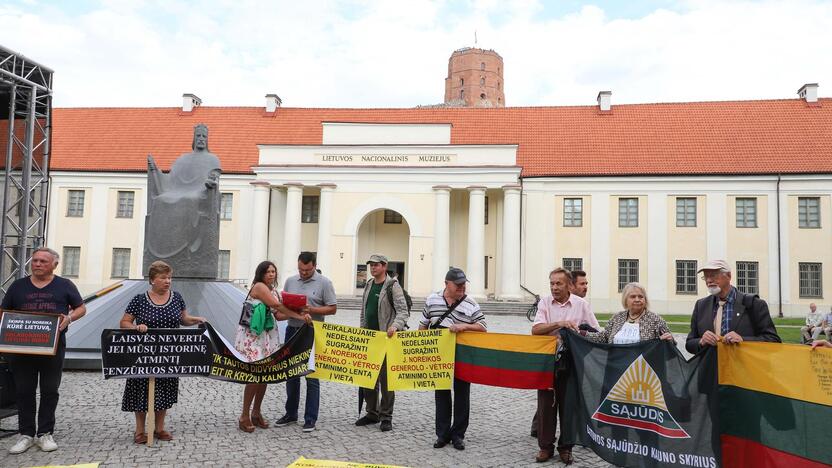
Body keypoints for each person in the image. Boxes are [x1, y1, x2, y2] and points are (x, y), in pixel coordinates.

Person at [2, 247, 86, 454]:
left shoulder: (64, 285)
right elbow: (3, 311)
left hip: (53, 347)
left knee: (50, 390)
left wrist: (69, 318)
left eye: (43, 261)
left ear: (54, 265)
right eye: (35, 260)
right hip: (21, 349)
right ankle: (26, 434)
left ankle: (45, 433)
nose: (37, 264)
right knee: (24, 391)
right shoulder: (18, 286)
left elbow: (81, 308)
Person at [119, 261, 207, 444]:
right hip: (144, 355)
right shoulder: (139, 299)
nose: (167, 281)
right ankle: (139, 430)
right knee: (140, 390)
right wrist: (136, 327)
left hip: (168, 354)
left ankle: (159, 428)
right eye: (163, 277)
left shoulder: (177, 297)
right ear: (152, 280)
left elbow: (183, 319)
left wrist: (196, 320)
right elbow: (124, 322)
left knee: (165, 388)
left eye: (169, 277)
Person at [532, 267, 601, 464]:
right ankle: (545, 447)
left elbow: (596, 331)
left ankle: (566, 447)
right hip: (547, 361)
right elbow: (536, 329)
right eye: (552, 283)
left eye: (558, 283)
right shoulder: (545, 302)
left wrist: (580, 332)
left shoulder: (581, 304)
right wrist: (559, 324)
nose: (554, 287)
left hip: (572, 360)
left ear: (569, 285)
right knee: (546, 404)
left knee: (569, 405)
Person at [236, 261, 311, 433]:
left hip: (267, 336)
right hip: (255, 336)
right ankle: (244, 415)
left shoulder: (274, 290)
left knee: (264, 375)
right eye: (268, 271)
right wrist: (298, 317)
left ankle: (256, 412)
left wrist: (300, 312)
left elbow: (277, 315)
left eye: (273, 271)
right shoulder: (260, 287)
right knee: (255, 375)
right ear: (261, 273)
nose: (271, 274)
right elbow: (276, 306)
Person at [420, 267, 486, 451]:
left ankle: (458, 435)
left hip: (463, 356)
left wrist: (464, 326)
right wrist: (421, 350)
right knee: (441, 395)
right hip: (439, 355)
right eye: (457, 285)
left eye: (463, 284)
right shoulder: (432, 300)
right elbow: (423, 325)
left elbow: (482, 326)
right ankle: (442, 435)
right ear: (446, 284)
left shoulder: (471, 303)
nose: (461, 287)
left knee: (462, 395)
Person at [275, 252, 337, 432]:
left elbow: (333, 308)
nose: (303, 273)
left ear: (314, 266)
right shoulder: (290, 281)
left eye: (307, 270)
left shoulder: (325, 283)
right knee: (291, 374)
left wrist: (313, 309)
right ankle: (291, 413)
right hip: (292, 330)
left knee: (312, 376)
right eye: (301, 269)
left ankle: (310, 418)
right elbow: (283, 307)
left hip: (313, 331)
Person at [354, 254, 409, 432]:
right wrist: (362, 329)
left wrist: (394, 326)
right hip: (370, 339)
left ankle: (386, 416)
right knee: (368, 377)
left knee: (386, 381)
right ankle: (372, 412)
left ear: (384, 266)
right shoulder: (369, 284)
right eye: (371, 265)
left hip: (387, 339)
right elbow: (364, 310)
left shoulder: (392, 286)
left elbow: (403, 312)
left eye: (377, 265)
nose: (373, 268)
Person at [686, 259, 780, 355]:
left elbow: (773, 341)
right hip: (710, 369)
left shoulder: (754, 304)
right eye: (706, 277)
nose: (709, 280)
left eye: (713, 275)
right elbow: (689, 344)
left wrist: (743, 340)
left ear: (729, 276)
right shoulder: (701, 305)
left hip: (742, 368)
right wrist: (701, 342)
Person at [586, 283, 674, 344]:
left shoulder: (655, 320)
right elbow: (603, 337)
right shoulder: (617, 317)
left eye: (640, 296)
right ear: (625, 300)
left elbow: (672, 344)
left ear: (645, 299)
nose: (637, 299)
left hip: (642, 369)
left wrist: (669, 340)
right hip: (617, 367)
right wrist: (580, 333)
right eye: (633, 296)